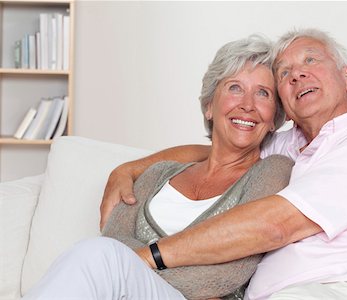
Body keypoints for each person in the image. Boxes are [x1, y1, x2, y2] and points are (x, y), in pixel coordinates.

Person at [100, 28, 347, 300]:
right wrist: (129, 169)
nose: (297, 73)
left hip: (341, 288)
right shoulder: (294, 144)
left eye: (310, 60)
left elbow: (275, 225)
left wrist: (147, 257)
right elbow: (223, 149)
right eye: (284, 72)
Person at [22, 35, 294, 300]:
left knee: (98, 256)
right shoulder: (156, 174)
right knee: (101, 255)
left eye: (263, 93)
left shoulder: (271, 172)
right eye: (235, 87)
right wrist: (130, 273)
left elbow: (232, 270)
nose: (247, 104)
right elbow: (115, 241)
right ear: (209, 105)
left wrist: (133, 269)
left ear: (274, 119)